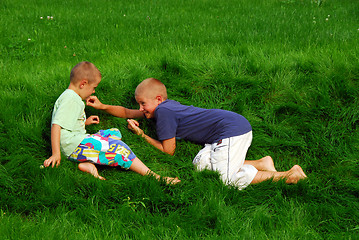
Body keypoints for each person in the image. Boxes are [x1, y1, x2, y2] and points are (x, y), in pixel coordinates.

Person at [122, 78, 307, 190]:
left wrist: (141, 135)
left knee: (225, 180)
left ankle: (289, 175)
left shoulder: (164, 112)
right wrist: (101, 106)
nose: (140, 109)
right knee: (201, 165)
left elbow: (168, 150)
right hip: (226, 130)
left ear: (159, 99)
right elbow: (128, 112)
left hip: (232, 131)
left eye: (142, 104)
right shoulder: (166, 108)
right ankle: (261, 164)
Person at [43, 63, 180, 184]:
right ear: (83, 84)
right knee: (120, 148)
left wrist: (84, 123)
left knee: (114, 132)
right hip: (72, 146)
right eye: (93, 87)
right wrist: (56, 154)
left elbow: (67, 125)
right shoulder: (71, 99)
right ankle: (155, 177)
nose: (94, 91)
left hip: (74, 143)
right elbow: (57, 125)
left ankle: (87, 164)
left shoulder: (69, 97)